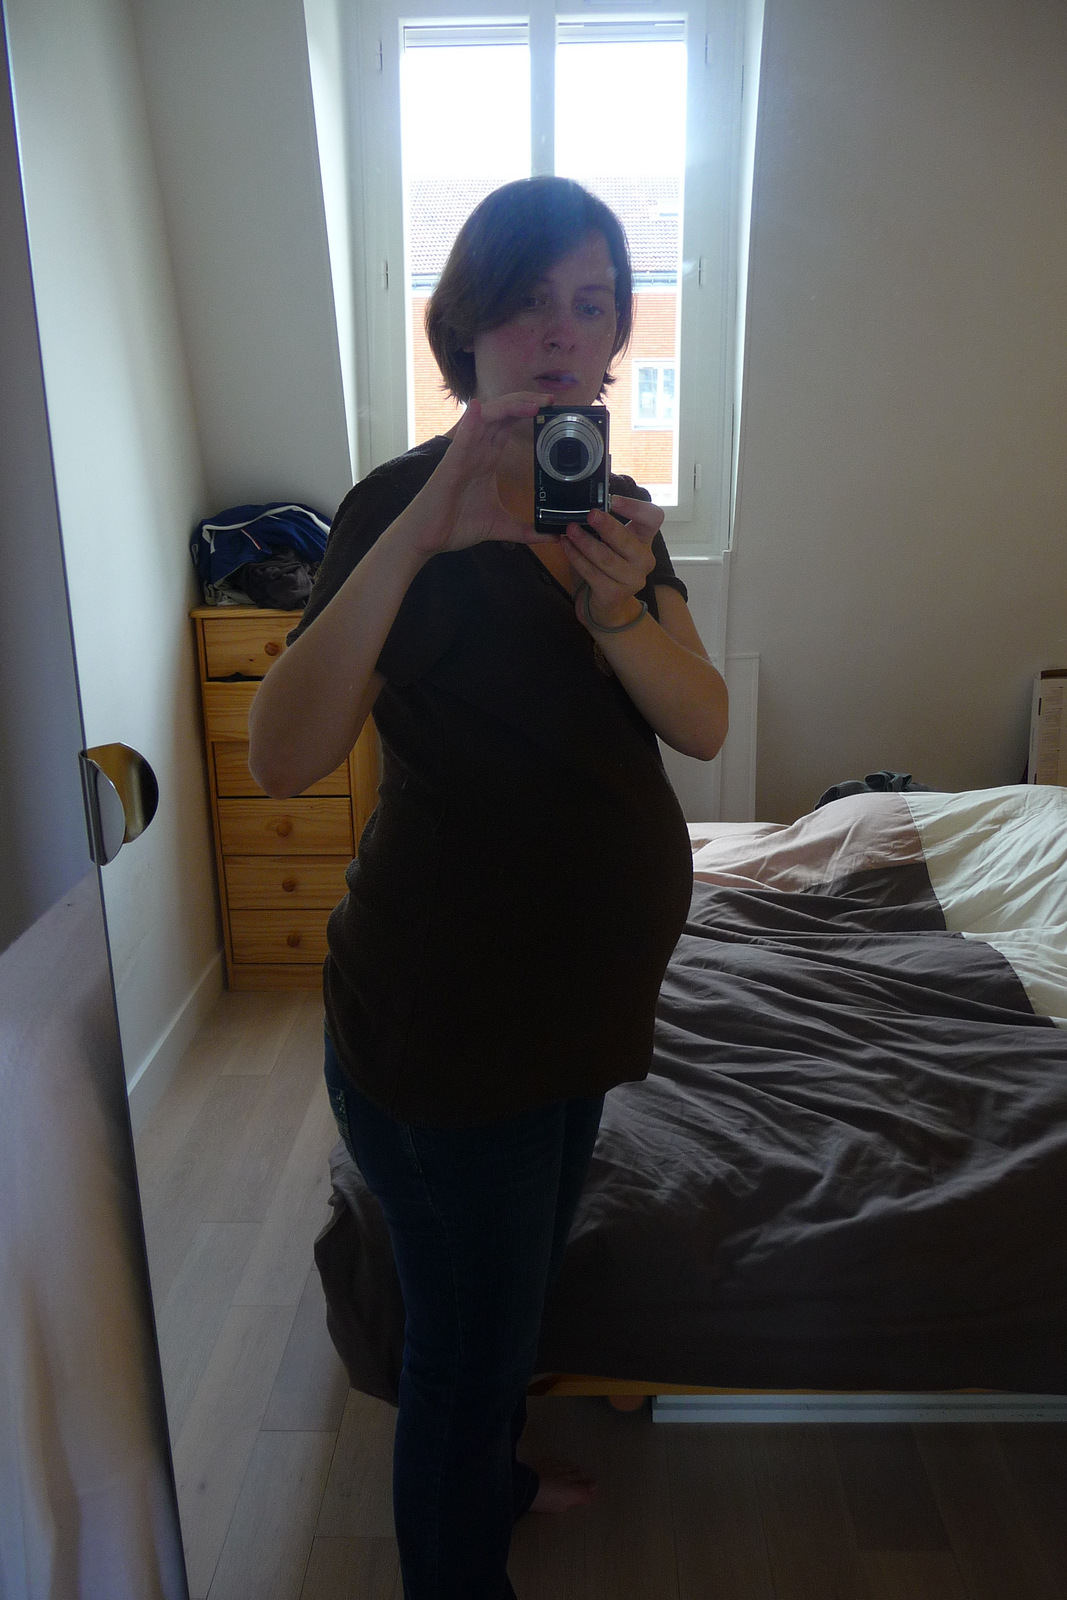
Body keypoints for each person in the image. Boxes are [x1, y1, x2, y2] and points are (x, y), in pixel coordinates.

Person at [248, 176, 728, 1600]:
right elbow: (282, 756)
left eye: (591, 302)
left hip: (579, 1018)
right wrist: (426, 533)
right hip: (451, 1026)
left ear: (618, 336)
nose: (561, 330)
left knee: (505, 1307)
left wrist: (617, 606)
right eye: (527, 301)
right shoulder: (392, 505)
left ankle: (499, 1476)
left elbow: (701, 721)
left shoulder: (615, 511)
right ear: (467, 327)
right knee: (465, 1355)